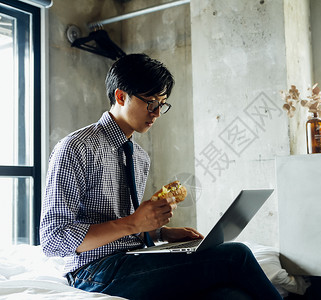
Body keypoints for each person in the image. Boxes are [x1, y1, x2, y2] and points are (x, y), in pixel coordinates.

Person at [40, 53, 282, 300]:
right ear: (121, 96)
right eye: (151, 102)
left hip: (134, 259)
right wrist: (134, 223)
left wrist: (161, 234)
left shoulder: (140, 157)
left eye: (162, 104)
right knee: (236, 255)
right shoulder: (75, 148)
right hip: (93, 271)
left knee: (230, 296)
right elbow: (53, 238)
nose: (156, 113)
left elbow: (126, 225)